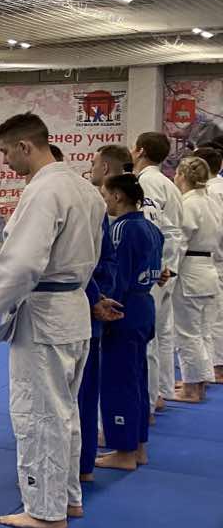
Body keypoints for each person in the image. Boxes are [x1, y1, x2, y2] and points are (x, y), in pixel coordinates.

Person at [0, 114, 101, 528]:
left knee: (39, 414)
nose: (5, 161)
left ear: (25, 146)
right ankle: (68, 498)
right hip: (74, 307)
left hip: (44, 315)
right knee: (65, 411)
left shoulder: (44, 191)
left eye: (6, 151)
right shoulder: (84, 188)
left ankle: (44, 510)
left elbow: (23, 261)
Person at [95, 174, 163, 471]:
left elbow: (117, 275)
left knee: (118, 380)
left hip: (124, 308)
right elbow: (157, 269)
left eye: (105, 195)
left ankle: (124, 451)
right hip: (145, 305)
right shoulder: (152, 228)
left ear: (118, 196)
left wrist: (105, 303)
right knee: (136, 378)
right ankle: (138, 446)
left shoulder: (121, 229)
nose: (105, 202)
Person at [76, 145, 129, 481]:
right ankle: (82, 466)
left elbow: (85, 265)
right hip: (90, 307)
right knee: (84, 392)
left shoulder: (91, 209)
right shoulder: (97, 208)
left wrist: (98, 296)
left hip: (78, 309)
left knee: (76, 394)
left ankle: (78, 467)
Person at [133, 132, 185, 414]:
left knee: (146, 337)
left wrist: (153, 265)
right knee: (161, 333)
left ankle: (150, 400)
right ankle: (160, 391)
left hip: (155, 267)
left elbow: (150, 226)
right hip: (166, 264)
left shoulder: (147, 182)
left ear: (140, 151)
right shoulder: (167, 182)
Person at [171, 156, 219, 402]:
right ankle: (200, 380)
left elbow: (180, 241)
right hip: (208, 268)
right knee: (202, 331)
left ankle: (192, 388)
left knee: (187, 332)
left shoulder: (188, 204)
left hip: (190, 268)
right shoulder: (210, 202)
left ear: (181, 175)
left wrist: (169, 271)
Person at [196, 144, 223, 381]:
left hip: (214, 258)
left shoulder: (211, 193)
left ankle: (217, 367)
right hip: (214, 258)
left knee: (214, 318)